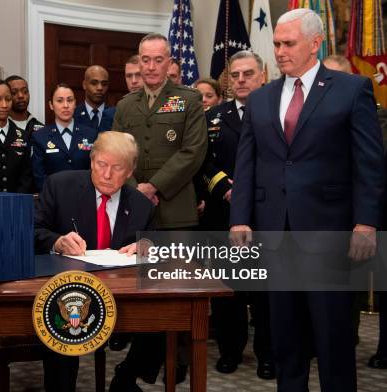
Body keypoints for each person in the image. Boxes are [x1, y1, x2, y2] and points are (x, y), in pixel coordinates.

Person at [230, 9, 384, 392]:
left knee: (332, 336)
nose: (279, 51)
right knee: (285, 336)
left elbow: (369, 163)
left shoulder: (351, 89)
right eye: (277, 43)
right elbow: (247, 163)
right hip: (275, 233)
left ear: (315, 43)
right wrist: (239, 218)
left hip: (329, 234)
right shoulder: (262, 98)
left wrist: (366, 223)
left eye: (288, 43)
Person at [110, 32, 207, 390]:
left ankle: (174, 364)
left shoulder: (188, 100)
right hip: (135, 214)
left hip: (176, 213)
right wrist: (137, 191)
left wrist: (155, 186)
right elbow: (117, 153)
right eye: (145, 60)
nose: (150, 67)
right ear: (138, 61)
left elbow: (193, 152)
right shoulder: (125, 106)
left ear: (169, 63)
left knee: (178, 296)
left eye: (158, 60)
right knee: (143, 297)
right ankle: (139, 369)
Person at [34, 131, 154, 392]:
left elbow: (158, 244)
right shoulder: (59, 186)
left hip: (122, 295)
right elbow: (33, 231)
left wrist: (147, 246)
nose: (107, 175)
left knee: (165, 316)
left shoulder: (142, 205)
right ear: (91, 160)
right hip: (68, 289)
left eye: (117, 168)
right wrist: (57, 241)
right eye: (101, 164)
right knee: (60, 319)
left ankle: (127, 376)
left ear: (131, 171)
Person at [199, 51, 274, 379]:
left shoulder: (277, 113)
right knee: (228, 292)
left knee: (266, 294)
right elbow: (201, 162)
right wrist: (225, 188)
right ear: (227, 79)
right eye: (235, 75)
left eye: (248, 74)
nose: (241, 80)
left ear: (262, 76)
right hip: (222, 214)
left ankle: (268, 356)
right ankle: (230, 351)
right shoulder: (212, 116)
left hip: (266, 215)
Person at [31, 83, 100, 191]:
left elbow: (96, 170)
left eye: (70, 100)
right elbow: (39, 176)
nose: (66, 105)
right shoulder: (40, 137)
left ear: (75, 103)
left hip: (85, 197)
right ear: (51, 105)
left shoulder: (91, 134)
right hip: (53, 200)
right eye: (60, 101)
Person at [74, 65, 115, 132]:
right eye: (94, 83)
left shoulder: (115, 115)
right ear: (84, 85)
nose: (100, 88)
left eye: (104, 84)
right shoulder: (73, 115)